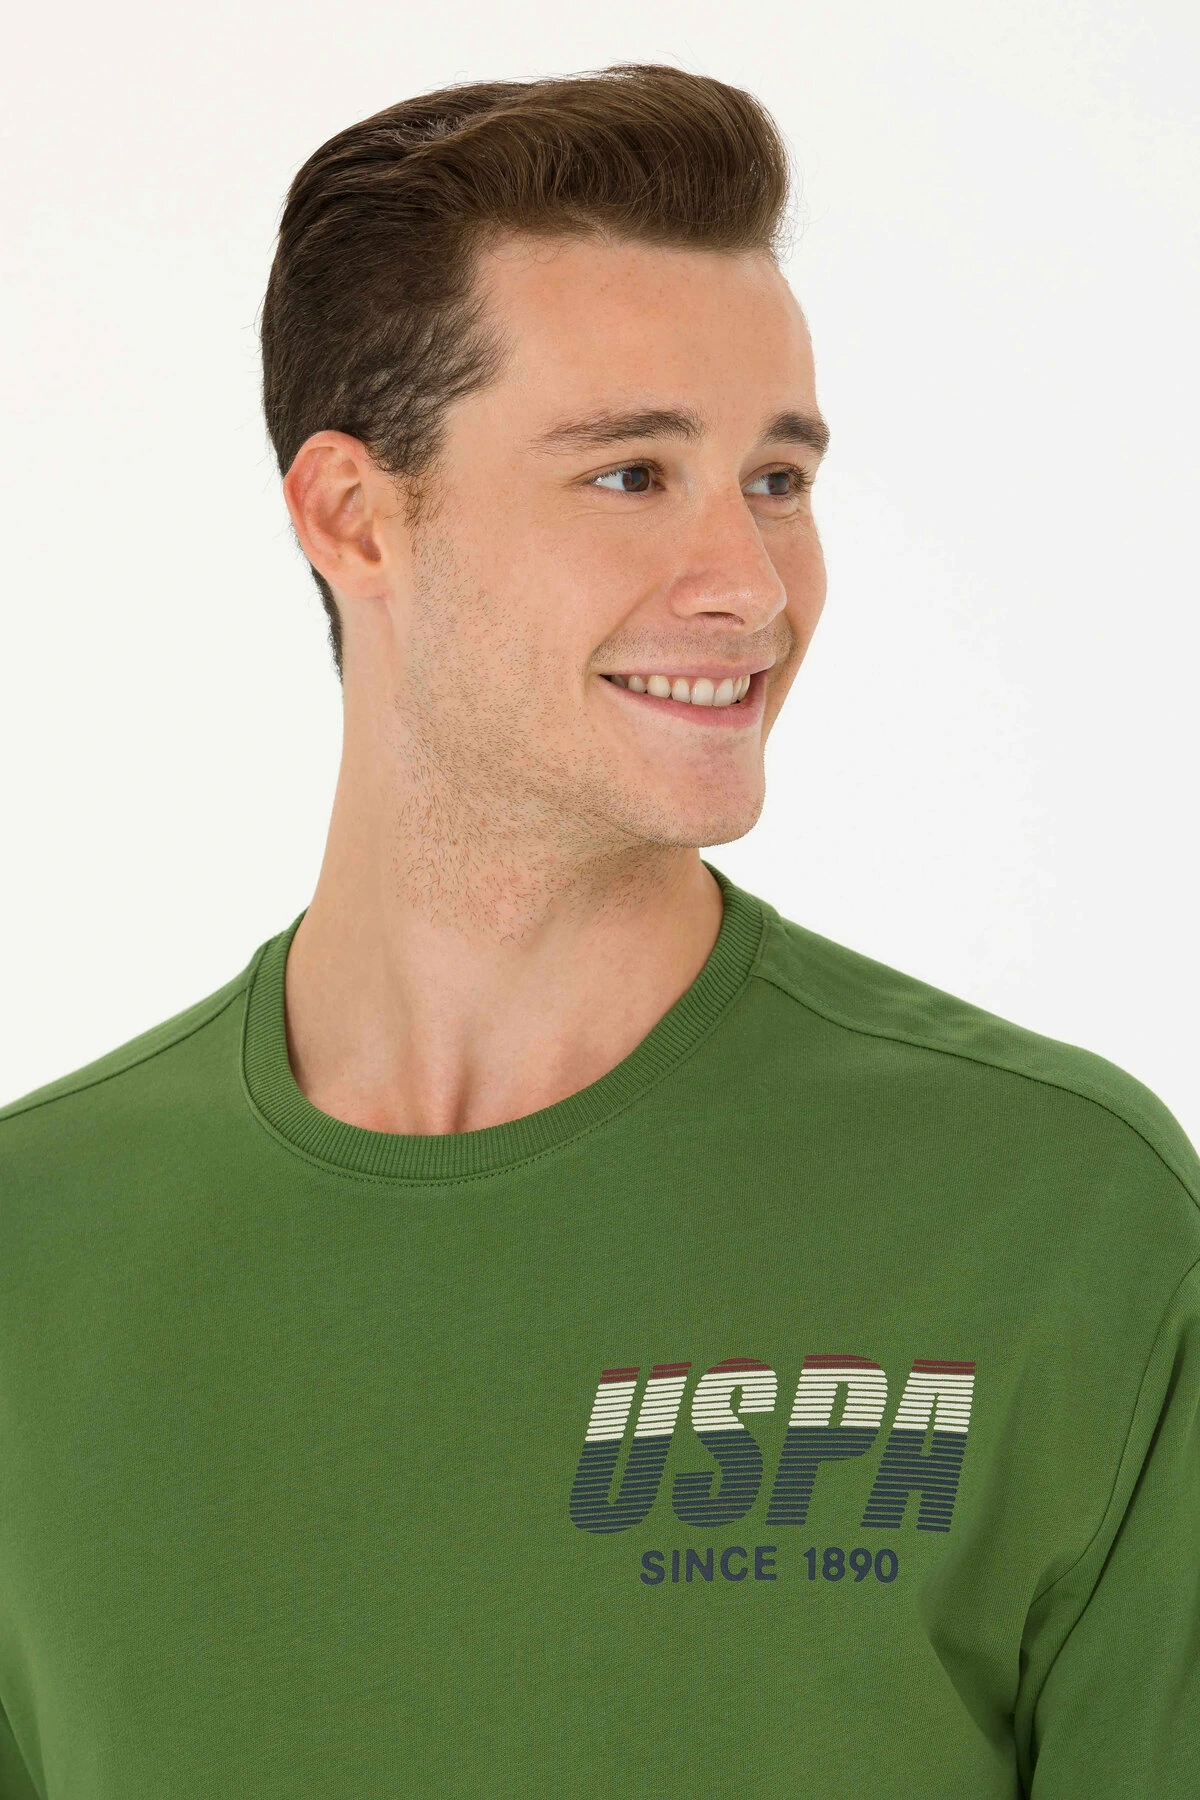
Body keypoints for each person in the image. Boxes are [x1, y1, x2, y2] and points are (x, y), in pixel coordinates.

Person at [0, 63, 1196, 1800]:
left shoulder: (1065, 1219)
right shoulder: (38, 1255)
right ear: (354, 516)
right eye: (634, 474)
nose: (752, 584)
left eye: (775, 478)